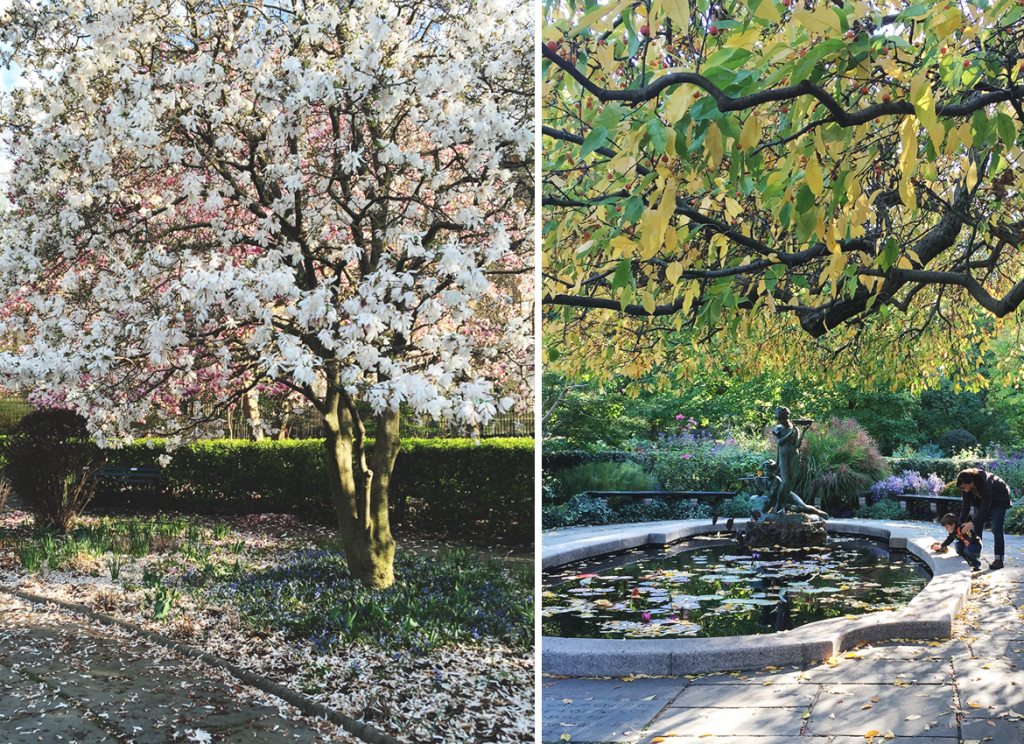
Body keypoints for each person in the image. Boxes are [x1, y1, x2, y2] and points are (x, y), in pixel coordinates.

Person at [956, 468, 1012, 570]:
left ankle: (999, 559)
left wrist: (971, 523)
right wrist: (959, 525)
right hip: (984, 502)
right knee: (977, 526)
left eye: (963, 487)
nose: (962, 489)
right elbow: (966, 506)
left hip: (1000, 498)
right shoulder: (966, 489)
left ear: (971, 482)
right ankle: (974, 557)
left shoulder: (985, 482)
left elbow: (986, 507)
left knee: (996, 527)